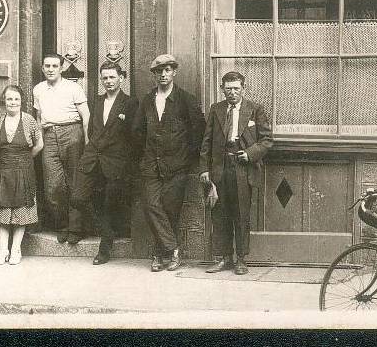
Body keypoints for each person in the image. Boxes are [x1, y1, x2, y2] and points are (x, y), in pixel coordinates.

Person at [132, 54, 205, 272]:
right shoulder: (147, 100)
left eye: (167, 70)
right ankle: (173, 249)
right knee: (151, 205)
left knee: (170, 210)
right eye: (159, 71)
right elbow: (137, 131)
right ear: (154, 74)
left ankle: (158, 254)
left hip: (177, 167)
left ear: (174, 72)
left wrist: (184, 158)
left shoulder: (186, 100)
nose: (163, 75)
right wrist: (144, 157)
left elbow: (198, 133)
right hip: (151, 166)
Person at [199, 71, 273, 275]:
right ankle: (224, 258)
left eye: (236, 88)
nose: (232, 93)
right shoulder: (216, 109)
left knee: (241, 214)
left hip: (243, 168)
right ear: (222, 89)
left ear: (243, 88)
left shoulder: (255, 110)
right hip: (219, 167)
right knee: (219, 214)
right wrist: (204, 168)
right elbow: (206, 142)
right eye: (228, 88)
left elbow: (266, 140)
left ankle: (241, 259)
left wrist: (249, 154)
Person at [71, 61, 139, 265]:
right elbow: (92, 128)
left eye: (112, 77)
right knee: (78, 198)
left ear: (121, 78)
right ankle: (107, 231)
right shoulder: (97, 100)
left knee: (110, 205)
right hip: (92, 158)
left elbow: (134, 135)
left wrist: (125, 162)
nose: (108, 81)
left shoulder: (130, 103)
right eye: (105, 78)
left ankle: (104, 247)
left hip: (116, 163)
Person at [0, 85, 44, 265]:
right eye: (9, 99)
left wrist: (24, 159)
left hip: (23, 171)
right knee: (2, 210)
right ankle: (3, 251)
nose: (13, 102)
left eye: (16, 99)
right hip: (1, 170)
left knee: (21, 211)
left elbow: (39, 144)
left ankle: (16, 250)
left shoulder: (29, 121)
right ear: (4, 101)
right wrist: (8, 158)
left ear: (21, 101)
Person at [33, 53, 90, 244]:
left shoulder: (73, 88)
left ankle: (76, 228)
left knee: (74, 182)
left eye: (54, 66)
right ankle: (63, 225)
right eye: (47, 66)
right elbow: (39, 118)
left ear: (62, 68)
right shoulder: (38, 89)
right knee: (53, 186)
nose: (50, 69)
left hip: (72, 132)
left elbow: (86, 116)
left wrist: (88, 140)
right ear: (42, 68)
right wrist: (39, 140)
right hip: (49, 135)